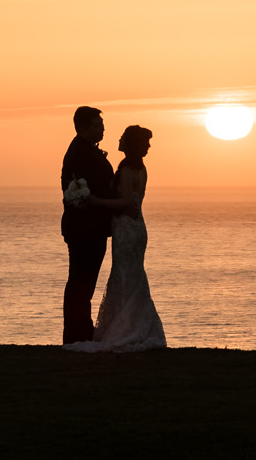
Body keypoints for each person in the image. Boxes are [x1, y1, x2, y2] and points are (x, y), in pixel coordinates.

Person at [63, 123, 167, 352]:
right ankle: (129, 323)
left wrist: (96, 202)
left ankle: (128, 327)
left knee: (127, 275)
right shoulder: (139, 168)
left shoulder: (129, 169)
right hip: (132, 226)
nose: (117, 138)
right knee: (129, 275)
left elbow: (128, 201)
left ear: (128, 143)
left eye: (122, 137)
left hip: (127, 227)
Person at [59, 106, 132, 345]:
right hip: (84, 228)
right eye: (98, 125)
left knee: (83, 283)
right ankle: (77, 334)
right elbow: (88, 190)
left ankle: (80, 332)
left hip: (91, 227)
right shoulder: (80, 153)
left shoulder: (84, 150)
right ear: (83, 128)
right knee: (80, 282)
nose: (102, 128)